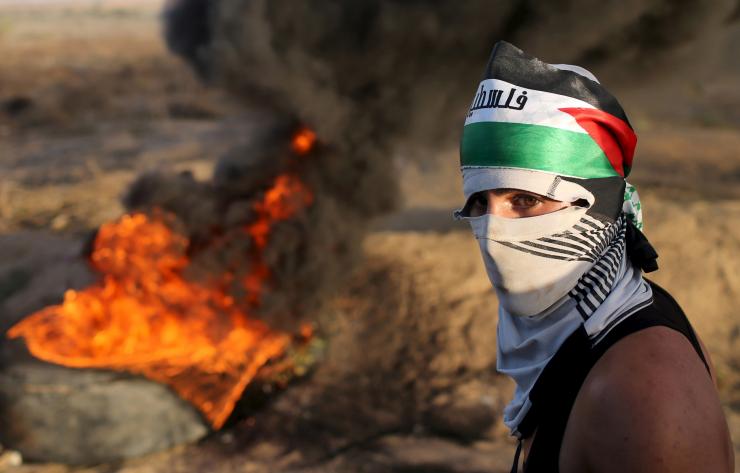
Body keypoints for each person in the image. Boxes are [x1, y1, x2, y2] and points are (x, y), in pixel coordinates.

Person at [455, 41, 734, 473]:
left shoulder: (642, 391)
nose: (493, 231)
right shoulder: (598, 331)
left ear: (598, 207)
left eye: (525, 199)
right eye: (478, 202)